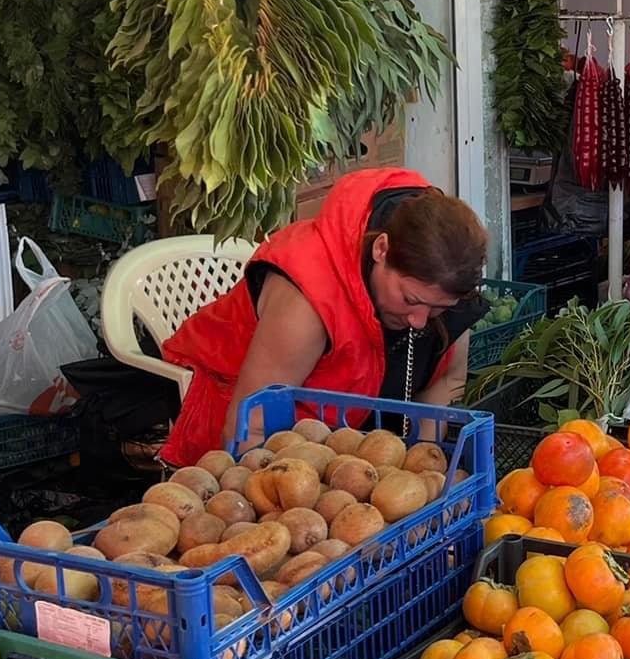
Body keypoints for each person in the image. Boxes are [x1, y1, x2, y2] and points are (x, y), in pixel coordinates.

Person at [156, 166, 489, 464]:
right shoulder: (307, 301)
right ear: (381, 250)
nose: (420, 320)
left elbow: (448, 381)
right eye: (410, 299)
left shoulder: (445, 283)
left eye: (438, 309)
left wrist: (420, 466)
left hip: (346, 444)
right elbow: (250, 429)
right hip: (222, 419)